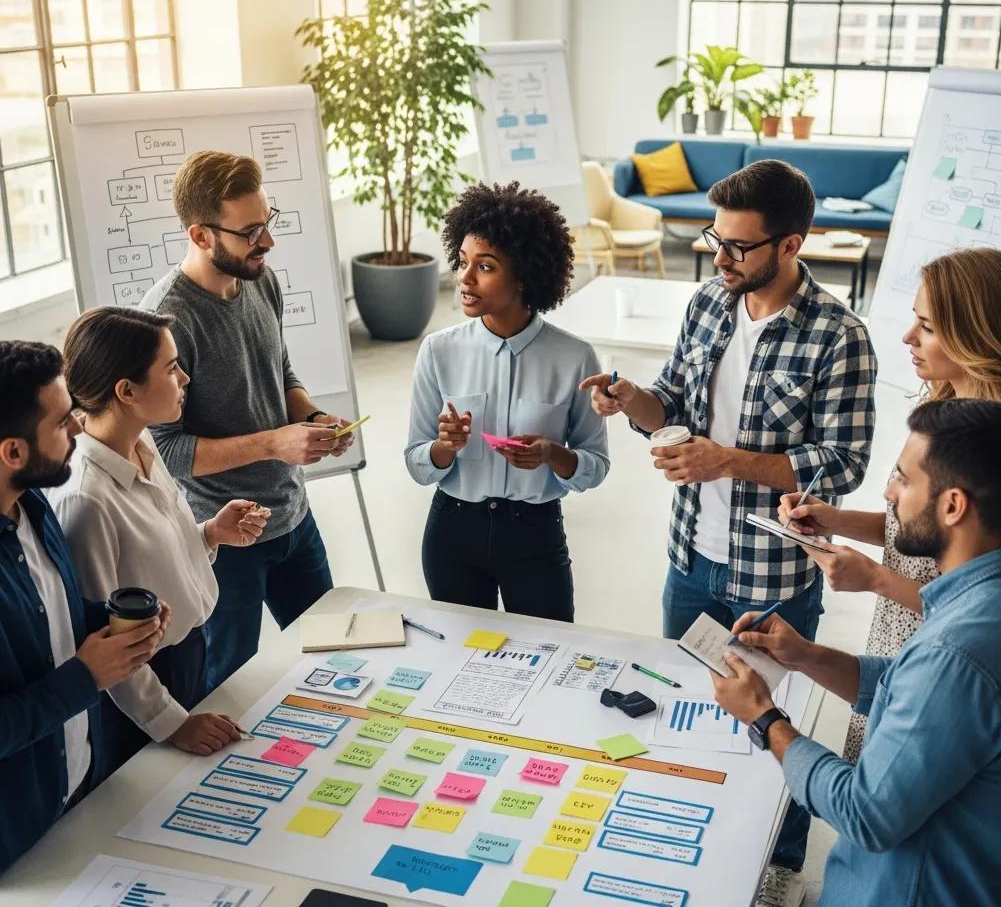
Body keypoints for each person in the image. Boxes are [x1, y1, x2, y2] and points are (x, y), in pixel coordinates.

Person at [581, 159, 877, 906]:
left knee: (773, 728)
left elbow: (841, 466)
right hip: (690, 560)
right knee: (685, 709)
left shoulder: (840, 337)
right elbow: (672, 402)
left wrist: (728, 461)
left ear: (791, 245)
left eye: (738, 247)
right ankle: (695, 848)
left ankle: (776, 870)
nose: (720, 258)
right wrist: (632, 400)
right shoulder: (710, 303)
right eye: (717, 240)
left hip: (773, 577)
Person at [712, 398, 1001, 907]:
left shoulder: (956, 652)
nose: (889, 492)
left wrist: (765, 719)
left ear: (952, 506)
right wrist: (807, 656)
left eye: (903, 478)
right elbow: (909, 689)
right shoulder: (997, 592)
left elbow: (865, 813)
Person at [779, 247, 1001, 760]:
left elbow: (988, 612)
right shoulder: (939, 405)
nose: (908, 337)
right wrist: (836, 520)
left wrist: (874, 579)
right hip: (897, 633)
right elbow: (913, 528)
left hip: (953, 658)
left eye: (928, 326)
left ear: (976, 334)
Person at [139, 150, 353, 689]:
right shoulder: (166, 321)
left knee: (334, 658)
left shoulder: (261, 280)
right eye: (251, 231)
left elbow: (278, 369)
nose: (267, 242)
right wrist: (275, 444)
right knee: (230, 689)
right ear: (201, 234)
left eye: (268, 222)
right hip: (226, 538)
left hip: (293, 517)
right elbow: (167, 452)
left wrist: (312, 415)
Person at [50, 307, 273, 775]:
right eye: (171, 369)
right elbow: (108, 644)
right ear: (126, 391)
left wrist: (210, 534)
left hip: (191, 652)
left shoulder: (142, 441)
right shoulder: (86, 501)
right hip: (143, 690)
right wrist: (172, 723)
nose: (186, 377)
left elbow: (149, 563)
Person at [404, 181, 609, 622]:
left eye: (485, 266)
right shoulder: (439, 351)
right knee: (458, 663)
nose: (464, 277)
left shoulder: (574, 357)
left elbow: (595, 465)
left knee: (550, 656)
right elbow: (417, 462)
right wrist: (444, 448)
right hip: (453, 533)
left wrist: (553, 454)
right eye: (462, 262)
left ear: (523, 275)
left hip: (534, 534)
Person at [0, 340, 164, 871]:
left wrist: (115, 626)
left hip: (76, 796)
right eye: (61, 421)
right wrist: (86, 676)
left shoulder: (32, 505)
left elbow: (50, 615)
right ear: (13, 452)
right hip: (17, 849)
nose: (77, 427)